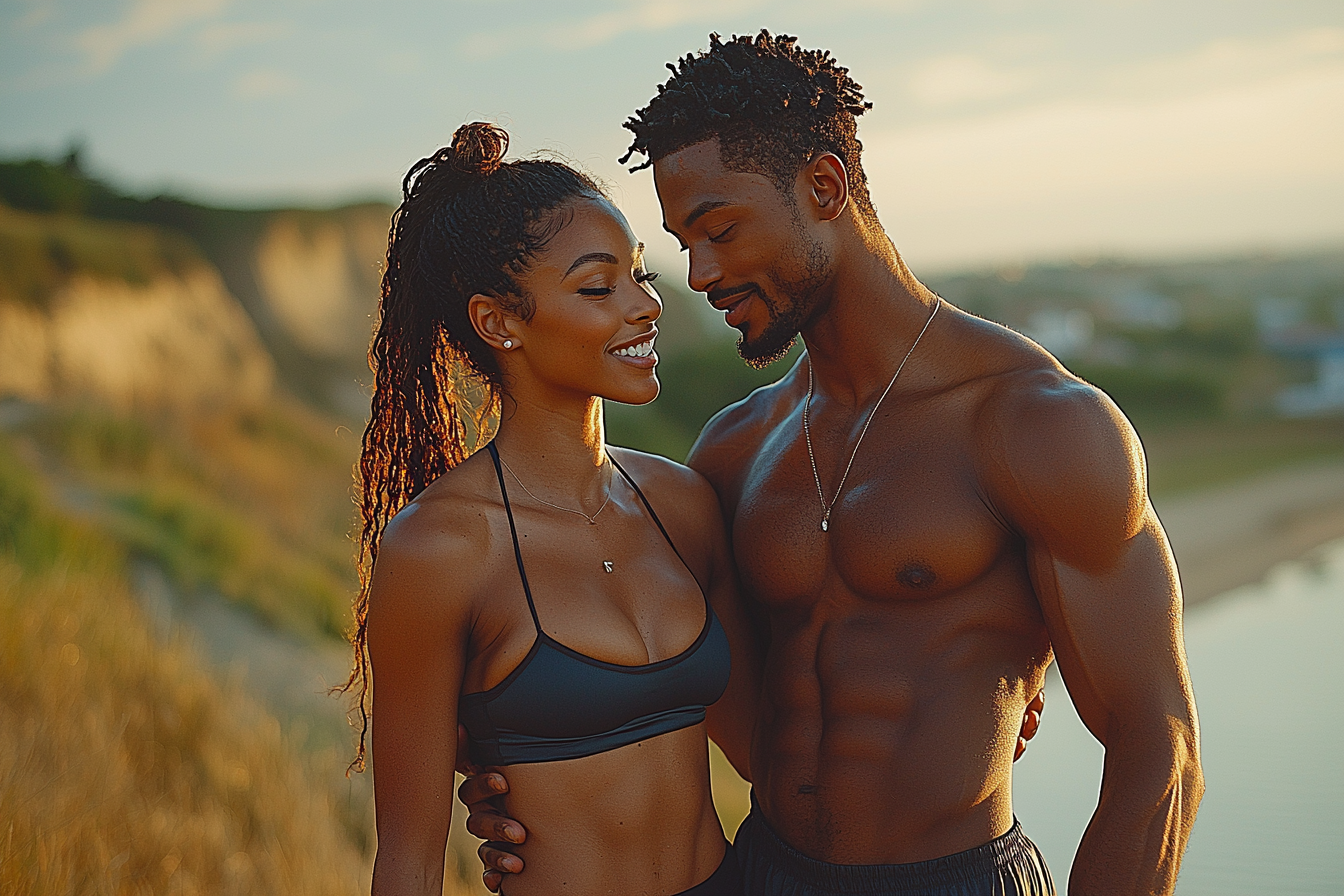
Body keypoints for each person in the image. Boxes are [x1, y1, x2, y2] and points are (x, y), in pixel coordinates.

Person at [463, 31, 1203, 896]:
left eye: (722, 230)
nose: (698, 274)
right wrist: (530, 787)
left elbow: (1161, 751)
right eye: (681, 242)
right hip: (763, 871)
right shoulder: (736, 448)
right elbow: (708, 699)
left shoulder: (1035, 426)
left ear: (824, 186)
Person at [345, 121, 766, 896]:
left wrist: (958, 704)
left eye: (640, 274)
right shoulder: (439, 549)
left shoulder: (682, 504)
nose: (646, 305)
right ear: (499, 322)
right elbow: (407, 861)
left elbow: (768, 753)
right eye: (599, 287)